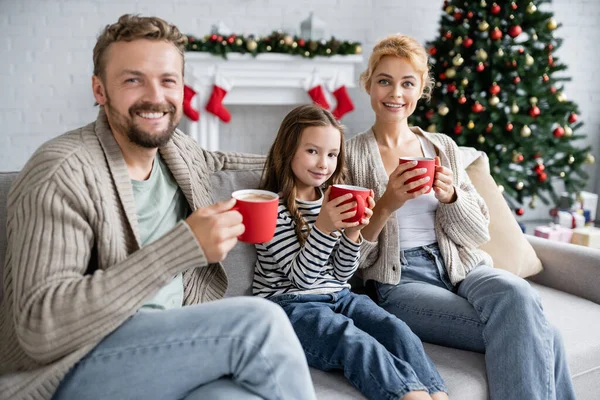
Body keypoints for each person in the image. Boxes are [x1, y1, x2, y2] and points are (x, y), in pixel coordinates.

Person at [0, 14, 317, 400]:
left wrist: (310, 166)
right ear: (100, 90)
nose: (155, 96)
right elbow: (40, 328)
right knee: (261, 322)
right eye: (133, 80)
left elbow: (218, 161)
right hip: (72, 367)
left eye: (168, 81)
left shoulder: (175, 150)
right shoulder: (62, 172)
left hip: (164, 353)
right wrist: (180, 248)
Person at [345, 34, 576, 400]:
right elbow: (349, 260)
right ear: (368, 84)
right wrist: (387, 203)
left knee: (516, 292)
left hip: (462, 267)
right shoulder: (349, 155)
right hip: (400, 281)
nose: (395, 93)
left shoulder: (443, 148)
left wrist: (451, 196)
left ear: (422, 89)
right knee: (543, 332)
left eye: (408, 83)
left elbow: (477, 232)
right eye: (385, 80)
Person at [253, 104, 449, 400]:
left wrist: (353, 233)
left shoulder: (330, 202)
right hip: (291, 306)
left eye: (332, 154)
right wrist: (324, 227)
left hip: (340, 296)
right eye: (312, 151)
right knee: (355, 342)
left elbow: (343, 274)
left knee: (395, 329)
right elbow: (303, 280)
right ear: (287, 149)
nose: (323, 164)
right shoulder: (271, 210)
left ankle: (437, 395)